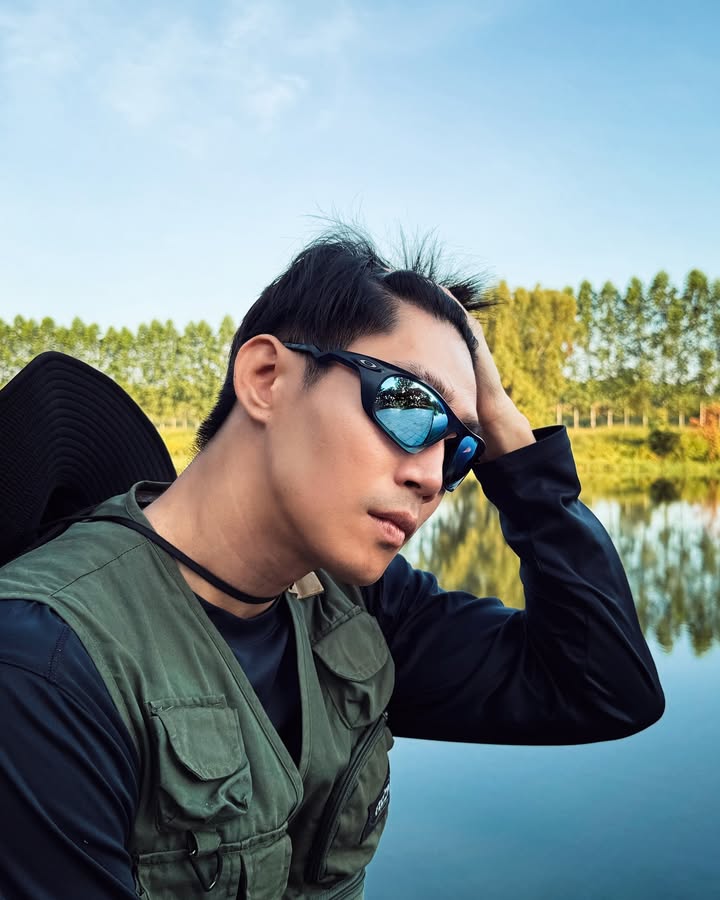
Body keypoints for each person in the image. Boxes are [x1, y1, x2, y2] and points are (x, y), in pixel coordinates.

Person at [0, 228, 664, 899]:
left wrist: (512, 448)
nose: (431, 479)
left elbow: (602, 689)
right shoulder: (46, 662)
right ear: (266, 378)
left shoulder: (353, 605)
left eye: (460, 448)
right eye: (410, 406)